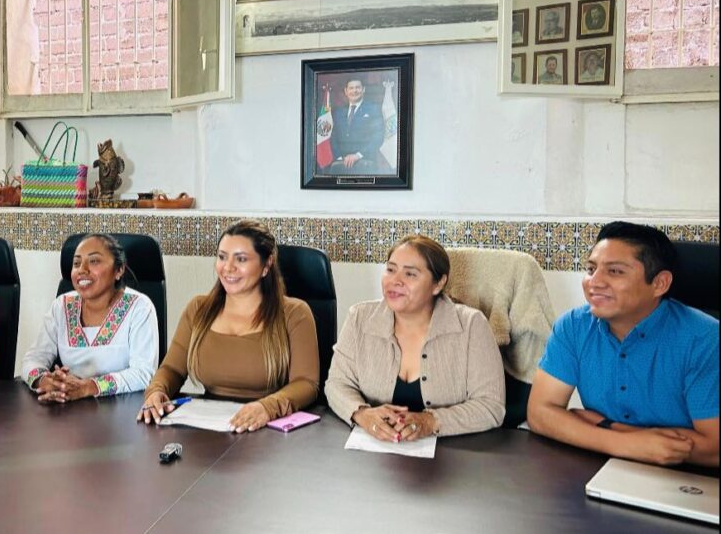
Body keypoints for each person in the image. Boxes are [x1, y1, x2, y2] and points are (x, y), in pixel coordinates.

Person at [528, 222, 719, 467]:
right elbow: (540, 412)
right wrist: (626, 443)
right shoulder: (573, 326)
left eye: (615, 271)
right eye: (591, 269)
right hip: (603, 465)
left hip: (688, 475)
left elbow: (714, 448)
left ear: (659, 283)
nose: (594, 282)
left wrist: (607, 426)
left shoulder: (705, 338)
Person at [139, 219, 319, 432]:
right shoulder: (198, 309)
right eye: (222, 257)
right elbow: (172, 369)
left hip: (268, 429)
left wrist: (268, 407)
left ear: (266, 265)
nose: (228, 267)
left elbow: (307, 383)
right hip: (207, 428)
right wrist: (156, 391)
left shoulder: (294, 313)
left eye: (241, 259)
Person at [326, 235, 505, 441]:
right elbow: (337, 384)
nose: (395, 281)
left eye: (410, 274)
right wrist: (362, 414)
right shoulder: (360, 317)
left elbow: (491, 406)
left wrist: (429, 422)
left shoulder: (472, 325)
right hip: (374, 452)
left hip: (453, 453)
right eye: (390, 270)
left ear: (438, 284)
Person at [21, 234, 159, 402]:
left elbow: (143, 374)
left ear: (119, 270)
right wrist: (46, 381)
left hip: (122, 409)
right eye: (76, 263)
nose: (82, 270)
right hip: (67, 407)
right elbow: (33, 359)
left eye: (94, 261)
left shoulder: (139, 307)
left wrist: (89, 387)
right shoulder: (62, 306)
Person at [327, 78, 385, 173]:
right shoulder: (339, 112)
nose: (354, 91)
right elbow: (334, 138)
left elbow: (378, 137)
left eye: (358, 87)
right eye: (351, 88)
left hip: (365, 163)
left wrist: (358, 155)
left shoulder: (373, 109)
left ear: (363, 90)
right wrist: (340, 157)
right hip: (342, 163)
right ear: (346, 91)